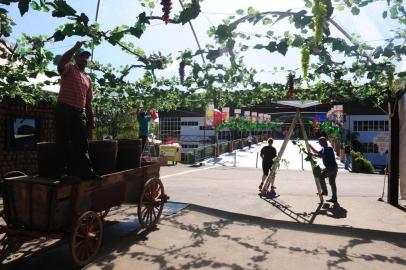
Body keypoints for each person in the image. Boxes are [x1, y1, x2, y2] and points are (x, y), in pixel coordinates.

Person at [55, 41, 101, 180]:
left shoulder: (88, 78)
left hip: (79, 112)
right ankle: (61, 173)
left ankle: (87, 172)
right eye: (81, 56)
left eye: (86, 57)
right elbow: (61, 62)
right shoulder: (69, 68)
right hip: (64, 108)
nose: (84, 59)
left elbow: (88, 102)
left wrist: (91, 118)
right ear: (76, 58)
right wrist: (75, 48)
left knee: (82, 143)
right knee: (63, 140)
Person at [309, 137, 338, 203]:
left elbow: (321, 155)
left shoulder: (328, 148)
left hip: (331, 167)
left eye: (319, 142)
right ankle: (334, 198)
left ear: (323, 142)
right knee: (332, 183)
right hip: (333, 167)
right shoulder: (324, 148)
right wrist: (312, 150)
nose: (319, 144)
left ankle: (325, 191)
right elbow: (318, 153)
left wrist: (312, 152)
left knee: (321, 176)